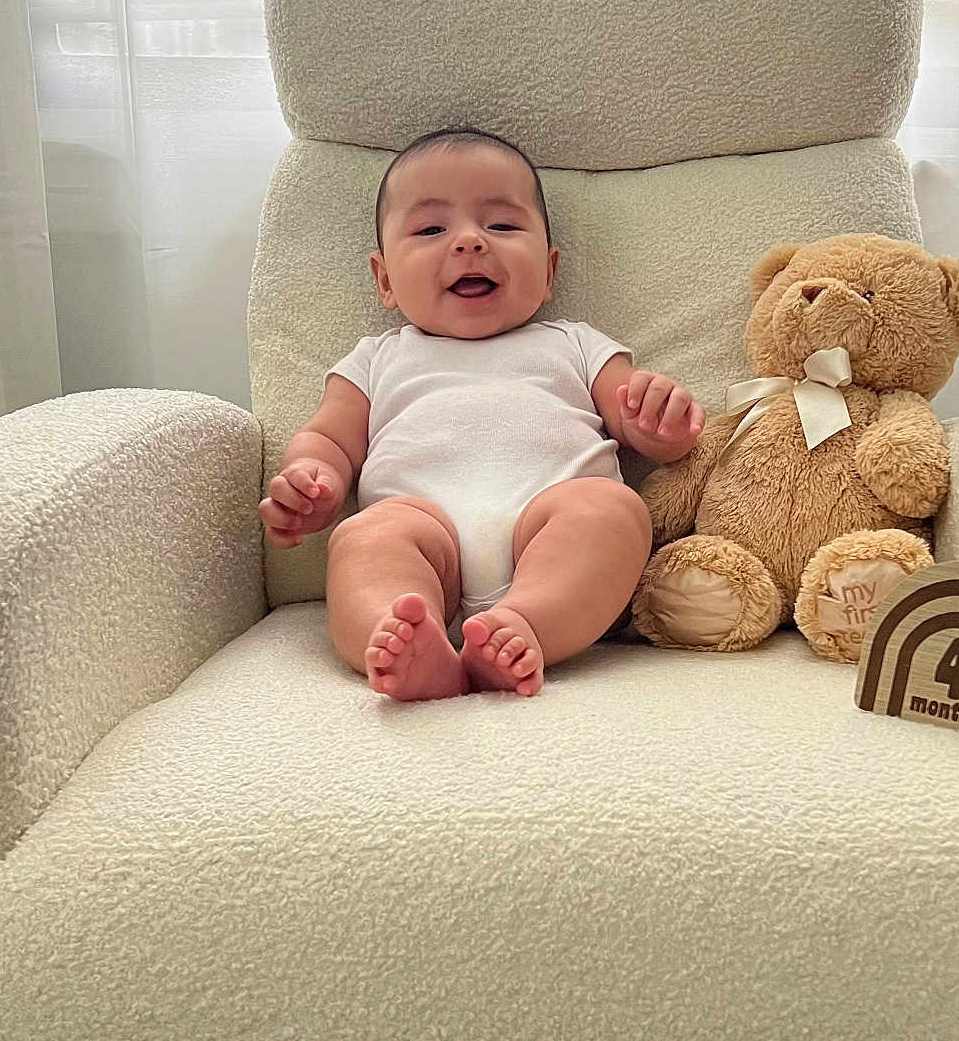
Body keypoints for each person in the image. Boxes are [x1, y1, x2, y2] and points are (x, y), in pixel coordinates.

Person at [259, 126, 707, 702]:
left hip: (551, 531)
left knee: (611, 508)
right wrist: (311, 480)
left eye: (501, 225)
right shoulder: (376, 358)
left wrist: (660, 425)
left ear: (548, 272)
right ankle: (405, 643)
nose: (470, 242)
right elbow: (328, 437)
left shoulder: (576, 343)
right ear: (385, 279)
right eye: (429, 229)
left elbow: (636, 420)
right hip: (424, 538)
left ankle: (525, 624)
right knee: (365, 538)